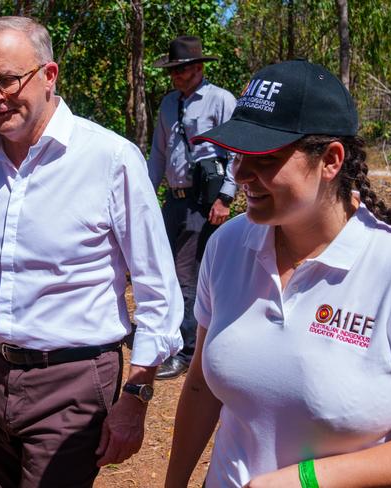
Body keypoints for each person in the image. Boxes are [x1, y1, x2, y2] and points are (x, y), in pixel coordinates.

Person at [165, 60, 391, 488]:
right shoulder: (226, 247)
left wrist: (306, 478)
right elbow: (202, 386)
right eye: (238, 154)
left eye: (265, 158)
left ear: (331, 160)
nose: (240, 174)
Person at [0, 16, 183, 487]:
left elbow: (157, 289)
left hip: (73, 383)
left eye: (8, 80)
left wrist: (136, 395)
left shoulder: (109, 160)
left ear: (49, 76)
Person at [148, 36, 236, 380]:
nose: (175, 77)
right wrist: (145, 196)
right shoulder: (168, 104)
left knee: (187, 277)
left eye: (181, 70)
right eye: (172, 71)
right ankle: (173, 337)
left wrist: (225, 198)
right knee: (165, 272)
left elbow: (237, 154)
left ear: (198, 68)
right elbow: (158, 154)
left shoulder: (221, 101)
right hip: (173, 201)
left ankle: (185, 352)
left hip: (203, 203)